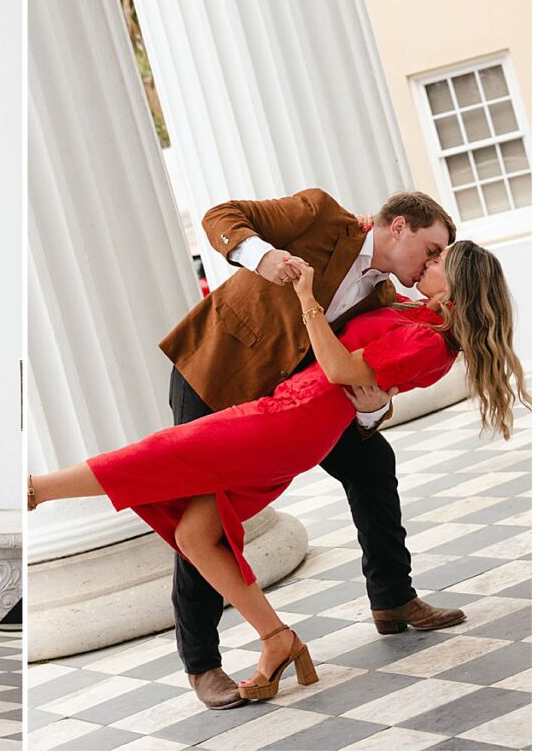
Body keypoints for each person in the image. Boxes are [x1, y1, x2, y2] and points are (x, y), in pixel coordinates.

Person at [29, 238, 529, 701]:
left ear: (460, 283)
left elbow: (338, 371)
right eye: (433, 250)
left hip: (288, 423)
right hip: (288, 415)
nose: (430, 261)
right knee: (196, 535)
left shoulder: (431, 343)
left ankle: (34, 491)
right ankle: (277, 639)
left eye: (440, 259)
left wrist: (308, 295)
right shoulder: (413, 313)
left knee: (159, 454)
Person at [159, 188, 465, 709]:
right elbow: (220, 216)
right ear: (399, 228)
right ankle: (202, 663)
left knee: (373, 460)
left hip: (292, 399)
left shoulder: (385, 299)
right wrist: (264, 254)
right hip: (216, 374)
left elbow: (359, 374)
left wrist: (368, 409)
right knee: (205, 513)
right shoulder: (321, 216)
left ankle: (392, 599)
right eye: (433, 249)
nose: (434, 263)